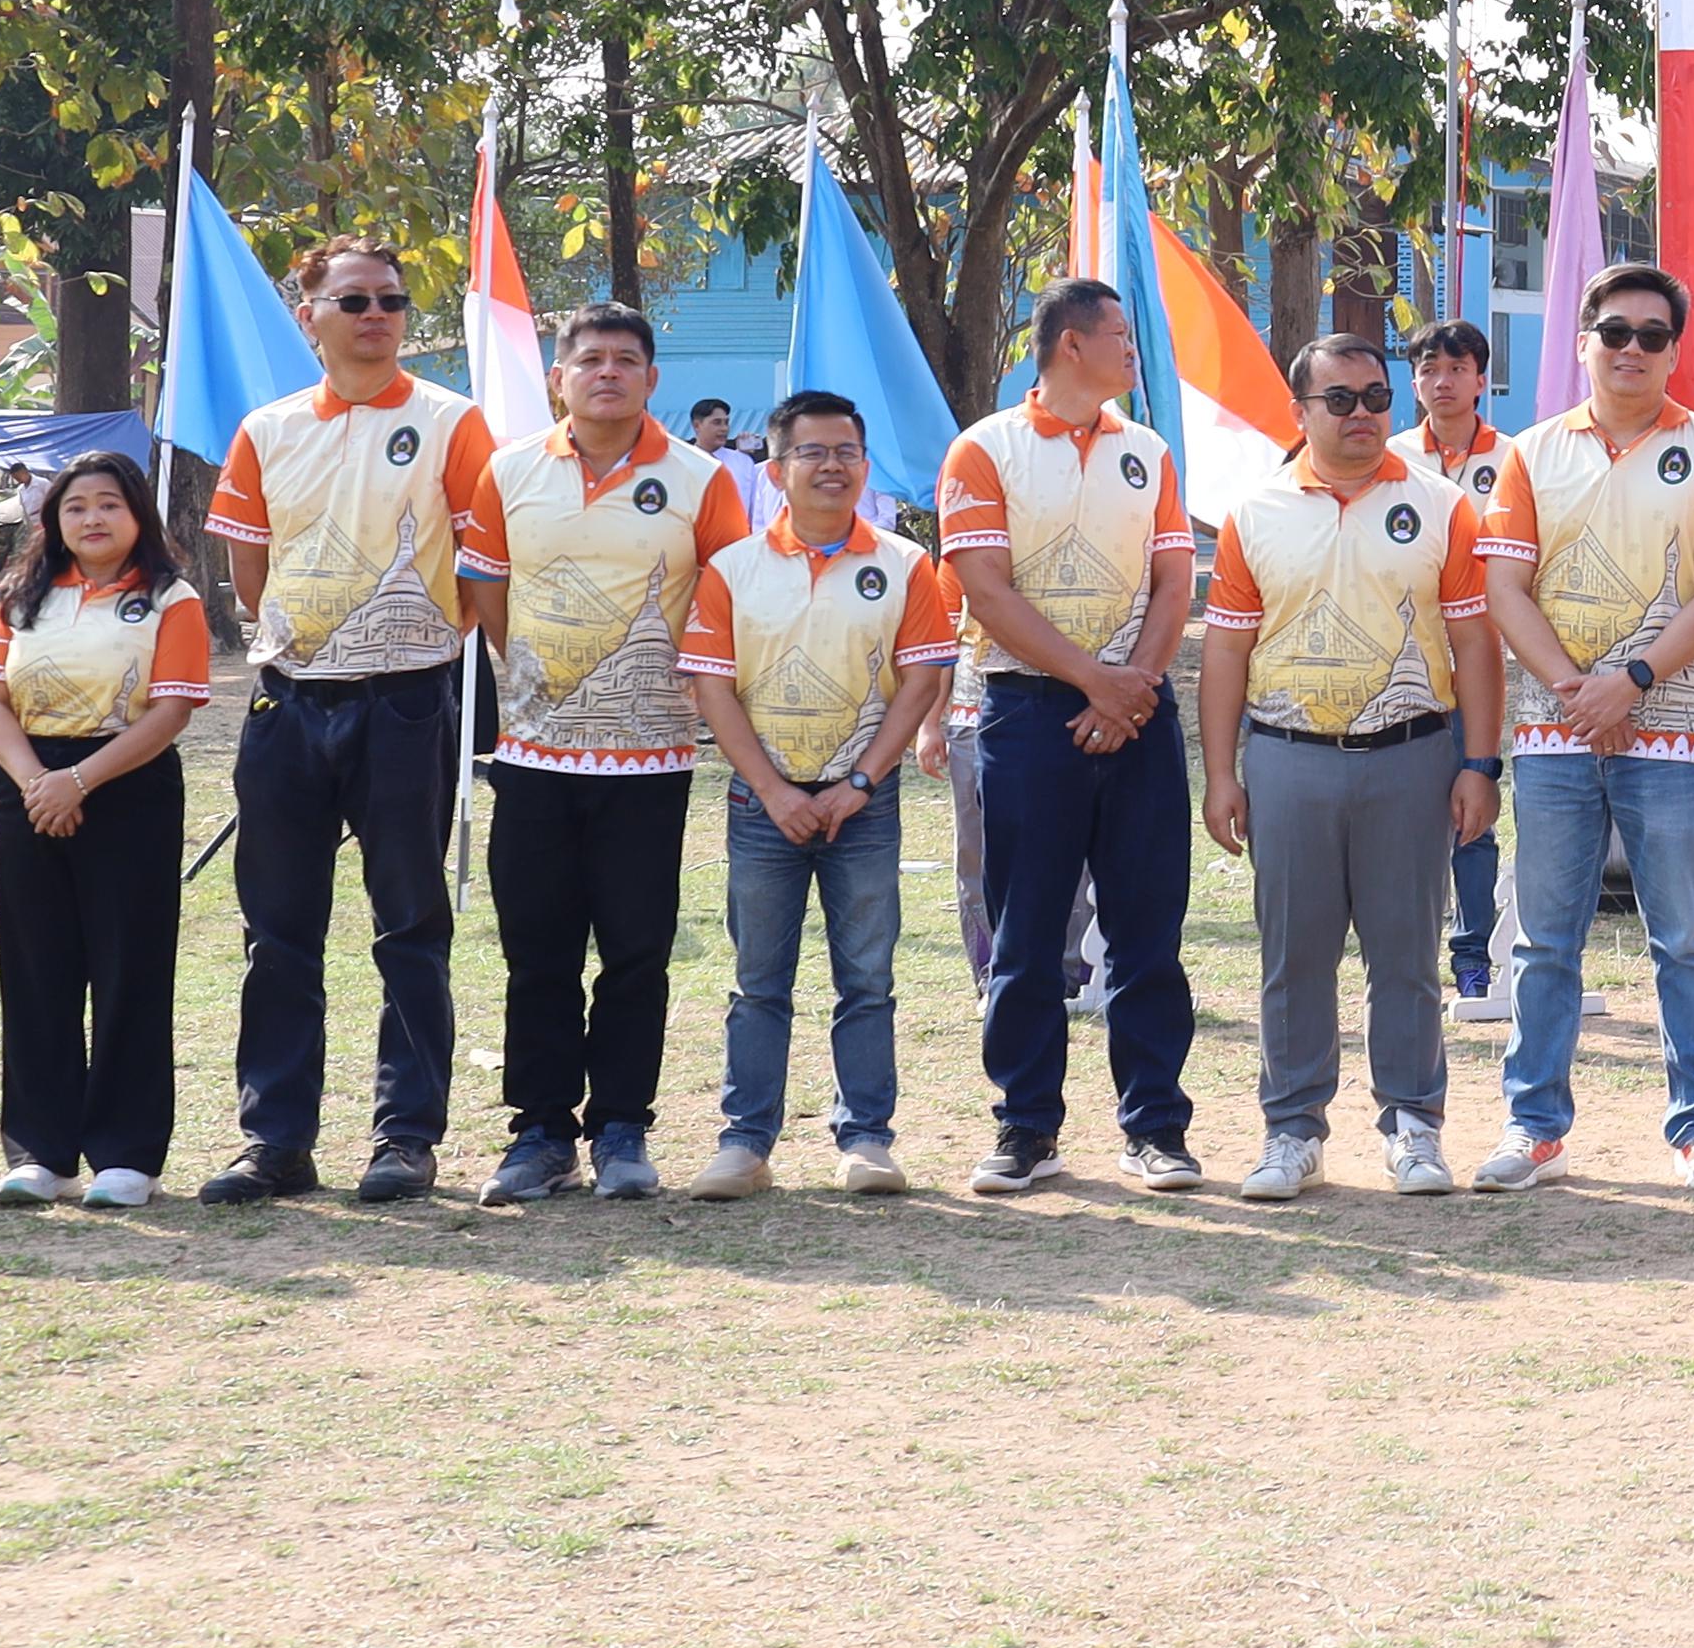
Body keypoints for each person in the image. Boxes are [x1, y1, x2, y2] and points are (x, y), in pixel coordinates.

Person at [200, 240, 500, 1205]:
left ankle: (405, 1136)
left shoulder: (453, 422)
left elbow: (483, 565)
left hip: (409, 700)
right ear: (310, 316)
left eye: (394, 301)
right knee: (277, 931)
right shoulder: (267, 429)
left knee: (410, 924)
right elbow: (251, 571)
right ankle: (275, 1140)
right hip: (288, 700)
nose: (377, 315)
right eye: (355, 300)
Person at [1468, 260, 1694, 1193]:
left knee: (1682, 937)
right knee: (1544, 938)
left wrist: (1631, 681)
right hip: (1557, 728)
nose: (1632, 349)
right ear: (1583, 342)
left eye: (1652, 335)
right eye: (1616, 332)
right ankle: (1534, 1124)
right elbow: (1502, 586)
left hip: (1669, 725)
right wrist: (1574, 688)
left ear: (1675, 350)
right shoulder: (1532, 452)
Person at [456, 300, 750, 1206]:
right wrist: (553, 681)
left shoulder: (702, 480)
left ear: (652, 380)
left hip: (651, 759)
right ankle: (540, 1133)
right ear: (559, 377)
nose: (608, 373)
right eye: (589, 360)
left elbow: (728, 599)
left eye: (627, 360)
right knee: (535, 953)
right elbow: (486, 597)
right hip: (535, 757)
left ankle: (623, 1128)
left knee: (635, 952)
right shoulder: (506, 474)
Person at [1203, 335, 1497, 1203]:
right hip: (1289, 761)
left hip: (1411, 756)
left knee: (1406, 953)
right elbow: (1225, 652)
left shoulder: (1443, 506)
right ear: (1300, 413)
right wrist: (1222, 775)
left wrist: (1479, 763)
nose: (1363, 414)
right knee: (1295, 955)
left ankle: (1413, 1124)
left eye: (1375, 397)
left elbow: (1475, 643)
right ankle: (1292, 1129)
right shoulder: (1253, 515)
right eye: (1341, 400)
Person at [938, 277, 1204, 1197]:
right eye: (1121, 336)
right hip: (1027, 714)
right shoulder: (985, 451)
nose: (1134, 351)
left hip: (1139, 712)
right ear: (1068, 347)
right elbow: (986, 589)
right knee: (1027, 931)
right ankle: (1026, 1128)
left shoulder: (1149, 450)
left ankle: (1156, 1127)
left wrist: (1129, 692)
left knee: (1146, 928)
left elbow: (1175, 584)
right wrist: (1094, 683)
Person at [676, 388, 960, 1197]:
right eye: (812, 452)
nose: (831, 466)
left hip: (862, 807)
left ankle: (866, 1137)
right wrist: (773, 791)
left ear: (865, 466)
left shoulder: (904, 564)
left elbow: (919, 682)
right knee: (758, 980)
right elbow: (714, 691)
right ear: (776, 464)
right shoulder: (732, 568)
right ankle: (744, 1143)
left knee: (866, 979)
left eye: (846, 452)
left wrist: (860, 782)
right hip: (763, 805)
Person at [0, 451, 209, 1209]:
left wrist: (81, 780)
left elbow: (170, 712)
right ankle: (41, 1151)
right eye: (76, 507)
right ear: (54, 519)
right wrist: (39, 782)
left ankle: (126, 1156)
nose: (92, 519)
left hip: (127, 789)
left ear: (138, 515)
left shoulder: (172, 599)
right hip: (30, 790)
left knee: (129, 969)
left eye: (109, 504)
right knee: (36, 970)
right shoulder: (22, 598)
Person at [1389, 319, 1517, 1023]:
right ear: (1415, 382)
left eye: (1457, 368)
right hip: (1406, 664)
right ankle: (1408, 958)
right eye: (1429, 370)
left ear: (1480, 377)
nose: (1443, 381)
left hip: (1485, 661)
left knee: (1474, 814)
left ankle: (1474, 960)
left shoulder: (1517, 459)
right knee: (1406, 821)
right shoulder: (1391, 456)